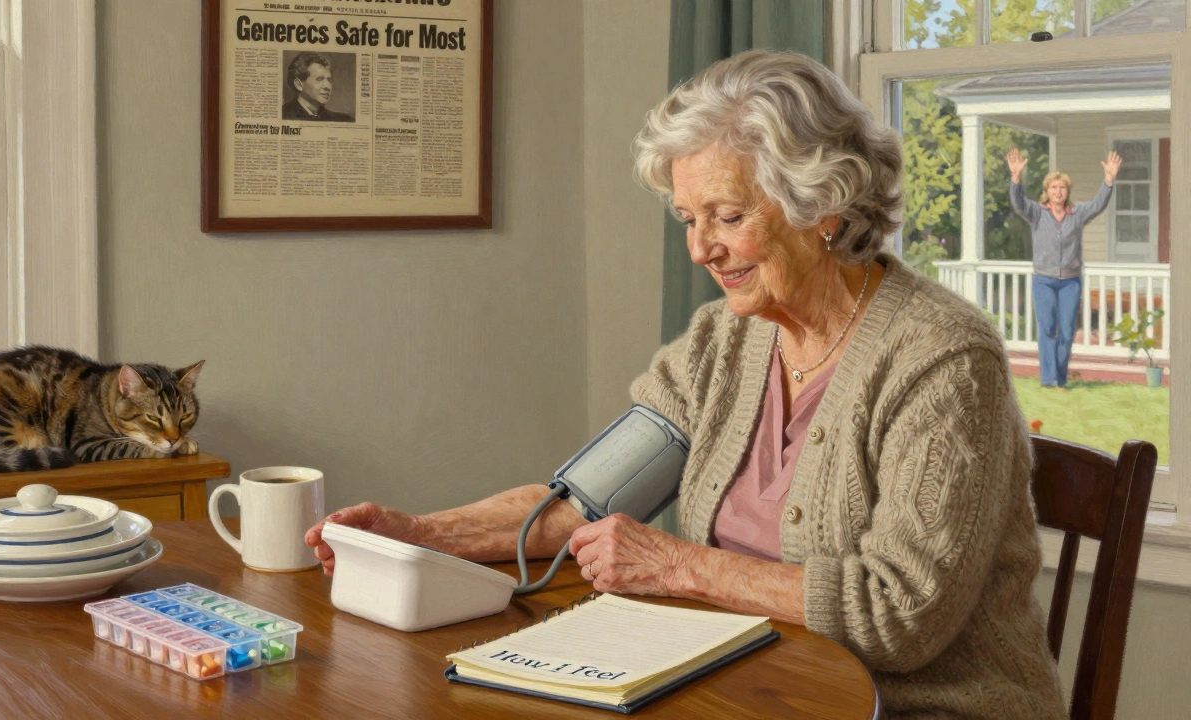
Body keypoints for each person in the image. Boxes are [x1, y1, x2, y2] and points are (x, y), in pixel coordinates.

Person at [306, 50, 1066, 719]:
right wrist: (419, 536)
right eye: (686, 219)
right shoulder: (722, 342)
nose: (701, 248)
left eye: (727, 216)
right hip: (748, 691)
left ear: (822, 206)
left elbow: (898, 614)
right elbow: (578, 506)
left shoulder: (941, 358)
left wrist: (678, 566)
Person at [1006, 148, 1121, 389]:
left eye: (1062, 188)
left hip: (1070, 281)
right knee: (1047, 328)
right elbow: (1017, 202)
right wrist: (1016, 178)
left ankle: (1060, 378)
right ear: (1046, 191)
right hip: (1044, 280)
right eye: (1053, 187)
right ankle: (1049, 379)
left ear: (1067, 191)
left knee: (1067, 331)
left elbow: (1099, 204)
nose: (1058, 192)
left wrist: (1108, 181)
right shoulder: (1037, 212)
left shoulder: (1077, 214)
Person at [282, 52, 354, 122]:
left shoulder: (344, 119)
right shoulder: (283, 114)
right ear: (299, 85)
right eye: (319, 79)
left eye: (329, 80)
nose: (327, 86)